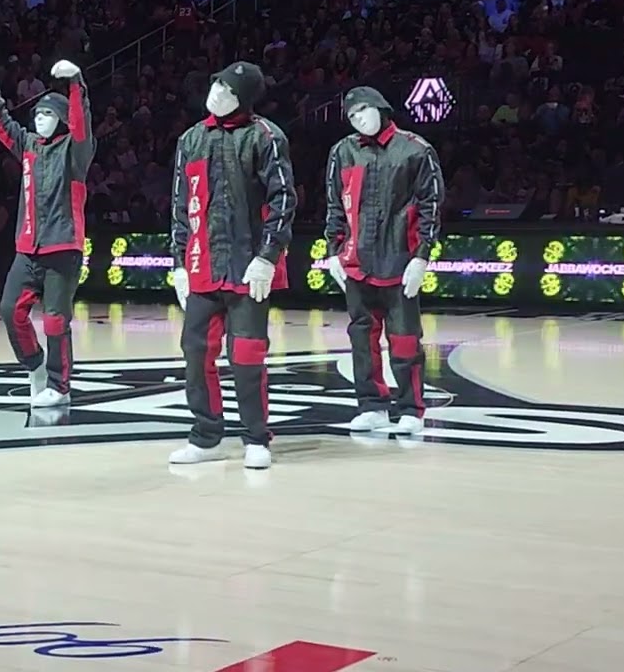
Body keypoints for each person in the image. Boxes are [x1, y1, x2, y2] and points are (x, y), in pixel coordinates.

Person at [166, 62, 297, 470]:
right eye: (217, 84)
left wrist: (268, 256)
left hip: (247, 268)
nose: (217, 93)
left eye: (228, 89)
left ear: (243, 99)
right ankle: (206, 436)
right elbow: (180, 206)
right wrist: (180, 263)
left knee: (247, 354)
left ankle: (256, 438)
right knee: (195, 352)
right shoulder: (191, 139)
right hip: (203, 266)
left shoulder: (266, 136)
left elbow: (283, 199)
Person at [323, 86, 444, 436]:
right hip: (356, 261)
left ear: (381, 107)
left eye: (363, 110)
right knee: (362, 339)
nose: (358, 119)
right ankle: (372, 405)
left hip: (399, 260)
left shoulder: (416, 150)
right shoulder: (343, 151)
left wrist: (421, 257)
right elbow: (335, 203)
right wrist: (333, 251)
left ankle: (411, 408)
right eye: (352, 115)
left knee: (405, 338)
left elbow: (431, 206)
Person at [0, 59, 96, 407]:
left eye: (47, 114)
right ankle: (35, 365)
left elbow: (82, 123)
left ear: (61, 118)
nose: (39, 119)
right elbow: (2, 126)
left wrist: (75, 84)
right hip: (28, 248)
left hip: (63, 248)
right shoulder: (29, 146)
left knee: (56, 321)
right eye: (37, 114)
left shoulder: (75, 150)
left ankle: (60, 386)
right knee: (10, 310)